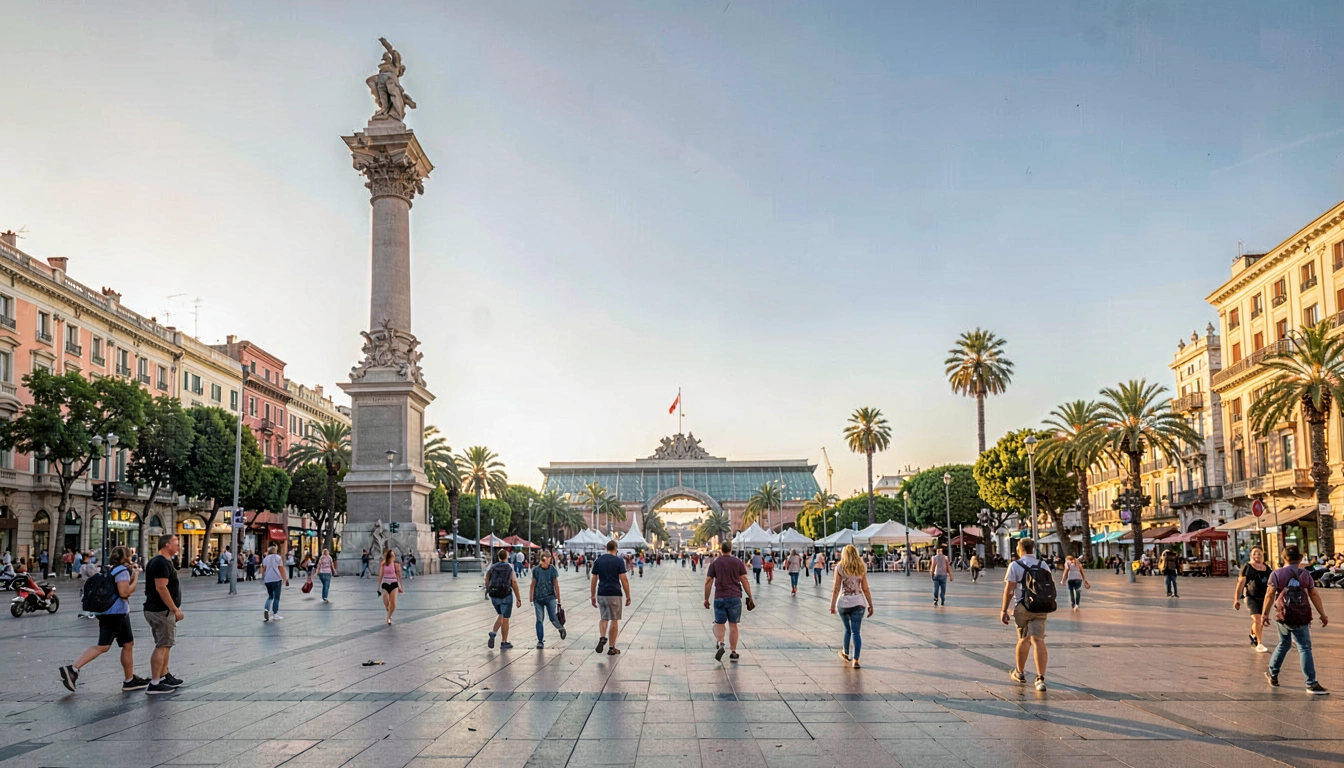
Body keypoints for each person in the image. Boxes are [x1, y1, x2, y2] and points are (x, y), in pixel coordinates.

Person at [60, 546, 148, 693]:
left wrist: (132, 574)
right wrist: (137, 577)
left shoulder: (111, 568)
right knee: (104, 646)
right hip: (116, 613)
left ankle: (129, 679)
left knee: (128, 643)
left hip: (110, 612)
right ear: (126, 556)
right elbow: (124, 593)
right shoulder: (121, 571)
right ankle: (73, 669)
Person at [1261, 546, 1329, 694]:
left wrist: (1264, 614)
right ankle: (1311, 683)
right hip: (1300, 615)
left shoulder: (1276, 574)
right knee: (1304, 647)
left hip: (1283, 615)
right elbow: (1314, 594)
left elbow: (1269, 594)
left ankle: (1273, 673)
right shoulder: (1305, 575)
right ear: (1299, 558)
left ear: (1283, 557)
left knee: (1283, 643)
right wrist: (1322, 614)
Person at [1001, 537, 1051, 692]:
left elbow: (1009, 591)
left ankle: (1020, 672)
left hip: (1022, 607)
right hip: (1041, 606)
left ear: (1019, 549)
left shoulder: (1015, 565)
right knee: (1039, 641)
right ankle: (1040, 678)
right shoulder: (1042, 564)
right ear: (1033, 549)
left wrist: (1004, 610)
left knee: (1024, 639)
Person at [143, 534, 185, 695]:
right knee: (162, 645)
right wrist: (175, 609)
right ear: (167, 545)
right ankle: (155, 682)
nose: (178, 546)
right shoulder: (161, 562)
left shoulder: (161, 561)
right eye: (176, 543)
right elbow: (161, 587)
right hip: (160, 610)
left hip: (158, 610)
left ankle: (164, 675)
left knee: (166, 644)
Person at [704, 540, 752, 662]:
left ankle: (720, 643)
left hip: (719, 597)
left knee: (719, 623)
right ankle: (733, 651)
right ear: (731, 549)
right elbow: (744, 579)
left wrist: (706, 598)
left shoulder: (715, 563)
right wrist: (750, 595)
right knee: (733, 625)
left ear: (721, 549)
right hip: (735, 597)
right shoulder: (737, 562)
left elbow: (708, 581)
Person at [829, 544, 873, 668]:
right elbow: (865, 588)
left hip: (844, 603)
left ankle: (846, 653)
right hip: (859, 602)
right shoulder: (861, 567)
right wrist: (871, 605)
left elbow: (836, 589)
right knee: (856, 632)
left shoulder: (839, 568)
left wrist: (832, 605)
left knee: (847, 629)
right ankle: (856, 660)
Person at [590, 539, 631, 656]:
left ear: (606, 548)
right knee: (614, 620)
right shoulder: (618, 561)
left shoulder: (598, 561)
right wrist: (628, 596)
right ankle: (611, 647)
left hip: (602, 593)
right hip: (614, 593)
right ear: (616, 549)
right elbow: (624, 579)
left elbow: (594, 579)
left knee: (603, 618)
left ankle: (602, 637)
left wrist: (592, 595)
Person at [1234, 546, 1272, 652]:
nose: (1257, 556)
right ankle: (1259, 643)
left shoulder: (1267, 568)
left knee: (1259, 621)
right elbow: (1240, 583)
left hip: (1264, 598)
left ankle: (1253, 634)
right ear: (1251, 555)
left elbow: (1272, 583)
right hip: (1251, 597)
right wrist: (1236, 599)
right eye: (1255, 553)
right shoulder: (1247, 568)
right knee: (1257, 619)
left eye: (1259, 553)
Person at [530, 551, 566, 649]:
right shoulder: (536, 570)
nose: (549, 561)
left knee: (553, 618)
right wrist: (531, 599)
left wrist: (558, 599)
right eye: (548, 559)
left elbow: (556, 585)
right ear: (543, 559)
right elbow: (532, 584)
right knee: (539, 619)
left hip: (550, 597)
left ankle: (561, 628)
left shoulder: (552, 570)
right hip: (538, 598)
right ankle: (540, 640)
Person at [485, 548, 520, 648]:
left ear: (499, 557)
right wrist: (518, 598)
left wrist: (488, 589)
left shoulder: (492, 567)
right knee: (505, 619)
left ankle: (493, 633)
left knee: (501, 614)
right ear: (507, 556)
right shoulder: (509, 567)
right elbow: (513, 582)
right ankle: (504, 642)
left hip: (494, 596)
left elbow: (487, 579)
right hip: (506, 595)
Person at [261, 545, 288, 621]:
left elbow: (263, 570)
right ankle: (275, 614)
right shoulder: (277, 557)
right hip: (276, 579)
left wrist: (264, 578)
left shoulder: (265, 559)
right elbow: (281, 569)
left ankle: (266, 609)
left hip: (267, 580)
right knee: (276, 597)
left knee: (270, 596)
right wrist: (285, 579)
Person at [379, 548, 406, 625]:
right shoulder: (383, 564)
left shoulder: (396, 564)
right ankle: (389, 612)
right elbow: (380, 575)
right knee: (386, 601)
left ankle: (388, 618)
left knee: (393, 604)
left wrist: (400, 586)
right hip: (385, 583)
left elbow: (399, 577)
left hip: (394, 583)